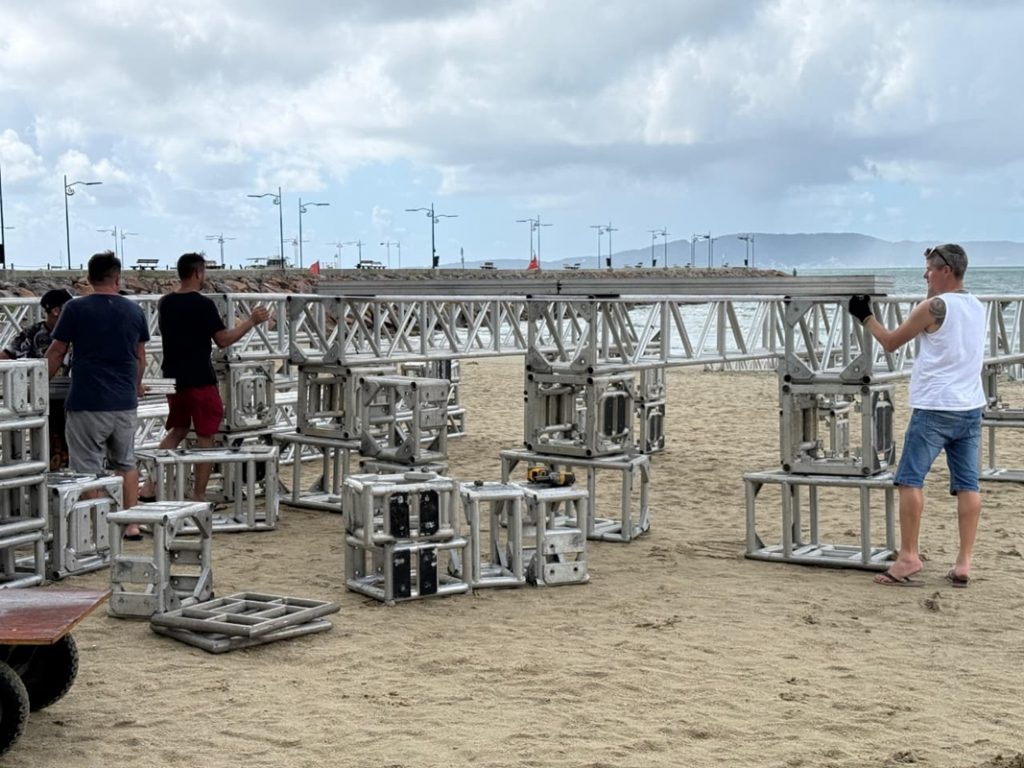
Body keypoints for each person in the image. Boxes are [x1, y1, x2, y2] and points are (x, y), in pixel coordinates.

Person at [848, 243, 985, 588]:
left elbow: (891, 341)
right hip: (970, 406)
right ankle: (963, 563)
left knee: (910, 479)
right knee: (968, 484)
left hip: (935, 406)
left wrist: (865, 316)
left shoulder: (933, 308)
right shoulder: (976, 305)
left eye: (929, 269)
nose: (925, 275)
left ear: (945, 271)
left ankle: (909, 555)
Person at [139, 252, 269, 502]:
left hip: (172, 378)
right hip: (199, 378)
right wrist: (250, 322)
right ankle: (198, 495)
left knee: (177, 430)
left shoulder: (165, 303)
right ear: (198, 273)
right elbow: (223, 340)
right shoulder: (204, 305)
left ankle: (148, 486)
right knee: (205, 437)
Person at [45, 252, 149, 539]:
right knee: (125, 463)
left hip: (87, 400)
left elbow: (57, 351)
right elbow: (140, 357)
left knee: (87, 468)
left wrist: (38, 385)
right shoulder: (134, 311)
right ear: (118, 278)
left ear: (89, 279)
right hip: (124, 401)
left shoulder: (75, 309)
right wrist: (135, 385)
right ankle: (131, 524)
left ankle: (99, 527)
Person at [1, 288, 75, 469]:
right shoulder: (33, 333)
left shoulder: (77, 332)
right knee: (48, 440)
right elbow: (7, 355)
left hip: (72, 396)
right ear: (55, 311)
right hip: (41, 397)